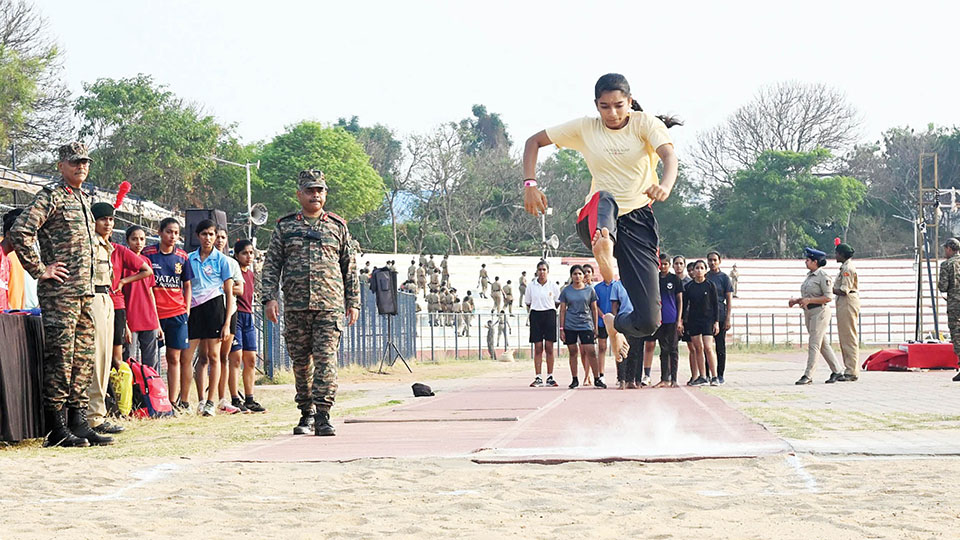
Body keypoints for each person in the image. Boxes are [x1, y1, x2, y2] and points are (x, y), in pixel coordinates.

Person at [523, 73, 680, 355]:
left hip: (638, 221)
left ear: (629, 102)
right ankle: (604, 241)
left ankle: (614, 323)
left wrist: (665, 185)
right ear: (596, 105)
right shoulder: (586, 128)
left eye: (619, 105)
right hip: (596, 215)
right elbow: (533, 142)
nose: (613, 113)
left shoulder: (646, 124)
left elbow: (669, 156)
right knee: (605, 197)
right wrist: (530, 185)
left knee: (648, 322)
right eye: (605, 106)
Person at [8, 142, 103, 447]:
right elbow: (21, 231)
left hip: (85, 291)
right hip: (60, 293)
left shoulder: (84, 200)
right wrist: (39, 269)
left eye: (85, 162)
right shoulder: (51, 196)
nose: (81, 167)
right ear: (61, 166)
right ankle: (56, 427)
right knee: (61, 358)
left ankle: (78, 420)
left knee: (83, 358)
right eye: (75, 162)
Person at [262, 170, 360, 436]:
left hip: (329, 306)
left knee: (326, 360)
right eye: (310, 190)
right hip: (295, 307)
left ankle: (324, 414)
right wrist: (269, 298)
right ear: (299, 194)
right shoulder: (285, 226)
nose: (315, 195)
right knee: (300, 363)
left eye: (320, 190)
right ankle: (306, 413)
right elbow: (271, 265)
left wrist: (354, 302)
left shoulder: (337, 226)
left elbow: (349, 267)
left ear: (325, 194)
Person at [93, 202, 152, 435]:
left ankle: (121, 405)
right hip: (95, 302)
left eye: (111, 219)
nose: (108, 223)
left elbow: (146, 269)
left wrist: (122, 282)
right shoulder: (90, 245)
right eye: (103, 219)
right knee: (99, 357)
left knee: (115, 359)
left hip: (116, 306)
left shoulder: (117, 249)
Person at [183, 219, 236, 416]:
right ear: (198, 236)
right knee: (190, 356)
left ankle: (211, 402)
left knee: (215, 356)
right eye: (204, 234)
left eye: (211, 234)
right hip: (194, 308)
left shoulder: (222, 260)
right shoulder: (189, 259)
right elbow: (186, 287)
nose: (208, 238)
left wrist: (227, 322)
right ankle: (193, 400)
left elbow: (229, 293)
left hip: (214, 307)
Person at [143, 218, 194, 411]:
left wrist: (187, 309)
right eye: (169, 232)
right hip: (153, 314)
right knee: (150, 358)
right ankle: (153, 400)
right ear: (160, 232)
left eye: (176, 232)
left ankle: (172, 402)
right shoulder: (149, 254)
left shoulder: (182, 256)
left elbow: (187, 284)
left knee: (174, 357)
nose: (173, 236)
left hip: (177, 314)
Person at [789, 247, 843, 385]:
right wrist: (797, 301)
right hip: (809, 312)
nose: (805, 262)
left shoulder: (823, 277)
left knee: (814, 344)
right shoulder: (809, 276)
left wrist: (810, 301)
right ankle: (837, 370)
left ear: (815, 262)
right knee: (822, 343)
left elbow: (828, 297)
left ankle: (808, 375)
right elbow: (808, 296)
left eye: (808, 260)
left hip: (820, 311)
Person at [229, 239, 265, 412]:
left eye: (251, 253)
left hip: (248, 317)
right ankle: (235, 398)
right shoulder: (234, 273)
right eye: (244, 253)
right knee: (235, 359)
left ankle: (250, 398)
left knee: (250, 359)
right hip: (236, 316)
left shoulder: (250, 274)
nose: (249, 256)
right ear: (236, 255)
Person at [211, 226, 243, 413]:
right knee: (208, 357)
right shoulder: (202, 261)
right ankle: (206, 399)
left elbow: (239, 289)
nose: (219, 240)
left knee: (224, 357)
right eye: (217, 236)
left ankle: (223, 399)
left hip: (229, 312)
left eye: (223, 237)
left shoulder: (231, 263)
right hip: (209, 311)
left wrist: (225, 287)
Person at [122, 225, 163, 371]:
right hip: (130, 318)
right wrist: (124, 323)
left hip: (148, 317)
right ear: (127, 241)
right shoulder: (122, 261)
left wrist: (157, 322)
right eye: (134, 239)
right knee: (128, 362)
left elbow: (150, 292)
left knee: (151, 364)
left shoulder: (147, 262)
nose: (138, 242)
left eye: (141, 239)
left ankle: (150, 391)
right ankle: (131, 393)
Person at [643, 253, 683, 388]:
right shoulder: (654, 279)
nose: (663, 266)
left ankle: (674, 379)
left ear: (669, 265)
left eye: (666, 264)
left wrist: (679, 320)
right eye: (661, 264)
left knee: (673, 349)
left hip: (672, 318)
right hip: (659, 319)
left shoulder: (675, 279)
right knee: (663, 350)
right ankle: (664, 379)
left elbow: (680, 300)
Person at [559, 265, 602, 389]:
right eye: (574, 274)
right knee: (573, 352)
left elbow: (594, 309)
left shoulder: (590, 291)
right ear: (571, 276)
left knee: (591, 351)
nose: (577, 276)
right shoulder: (566, 291)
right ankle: (574, 379)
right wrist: (562, 329)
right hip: (570, 325)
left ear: (584, 276)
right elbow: (562, 310)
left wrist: (595, 327)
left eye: (579, 274)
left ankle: (596, 378)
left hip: (586, 324)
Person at [683, 260, 719, 386]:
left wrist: (716, 322)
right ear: (693, 271)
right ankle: (702, 376)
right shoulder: (689, 287)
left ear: (705, 270)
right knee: (698, 348)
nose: (698, 270)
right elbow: (684, 305)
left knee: (708, 347)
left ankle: (714, 376)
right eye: (696, 268)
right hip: (694, 320)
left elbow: (715, 305)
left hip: (708, 320)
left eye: (701, 268)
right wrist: (682, 321)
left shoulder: (710, 285)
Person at [525, 260, 561, 387]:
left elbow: (557, 302)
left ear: (548, 271)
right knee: (538, 347)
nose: (542, 272)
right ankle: (538, 376)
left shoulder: (553, 286)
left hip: (549, 314)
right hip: (536, 315)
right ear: (536, 271)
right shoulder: (531, 286)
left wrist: (549, 308)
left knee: (549, 347)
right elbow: (528, 303)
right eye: (539, 270)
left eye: (544, 270)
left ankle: (550, 376)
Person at [705, 251, 733, 384]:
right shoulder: (705, 277)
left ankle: (720, 374)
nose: (712, 263)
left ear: (719, 261)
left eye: (715, 260)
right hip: (706, 316)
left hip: (721, 315)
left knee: (720, 347)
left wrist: (728, 318)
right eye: (710, 260)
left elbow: (729, 299)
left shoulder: (724, 278)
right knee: (706, 347)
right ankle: (707, 374)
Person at [833, 243, 860, 382]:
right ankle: (848, 368)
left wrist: (828, 290)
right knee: (844, 336)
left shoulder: (847, 269)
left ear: (842, 254)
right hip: (844, 302)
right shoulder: (844, 267)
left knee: (849, 336)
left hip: (848, 301)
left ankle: (852, 370)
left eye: (837, 253)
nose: (835, 256)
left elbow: (844, 290)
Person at [939, 238, 960, 382]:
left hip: (955, 305)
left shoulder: (947, 265)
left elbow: (943, 286)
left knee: (957, 333)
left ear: (949, 249)